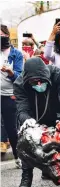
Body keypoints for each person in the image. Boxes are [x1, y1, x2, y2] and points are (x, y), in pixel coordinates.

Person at [14, 57, 60, 187]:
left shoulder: (58, 75)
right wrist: (27, 120)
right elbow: (22, 109)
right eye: (34, 82)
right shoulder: (19, 84)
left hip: (57, 112)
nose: (39, 84)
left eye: (41, 81)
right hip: (34, 117)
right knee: (25, 139)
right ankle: (26, 178)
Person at [0, 25, 23, 167]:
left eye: (2, 35)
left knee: (11, 128)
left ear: (7, 36)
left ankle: (17, 156)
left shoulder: (17, 54)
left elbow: (20, 76)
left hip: (9, 95)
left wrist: (10, 72)